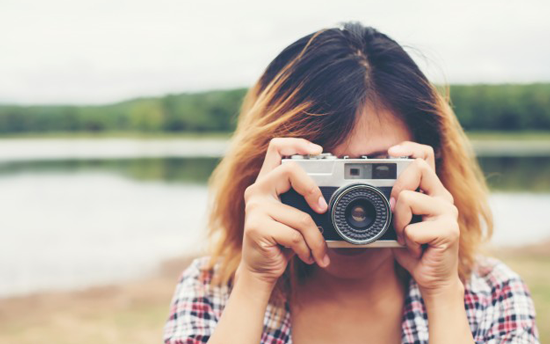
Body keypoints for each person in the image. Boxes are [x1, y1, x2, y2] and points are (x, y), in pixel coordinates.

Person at [163, 22, 539, 344]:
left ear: (432, 165)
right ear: (267, 171)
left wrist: (442, 296)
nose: (355, 204)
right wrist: (254, 283)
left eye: (380, 170)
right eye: (323, 170)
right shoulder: (214, 291)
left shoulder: (491, 296)